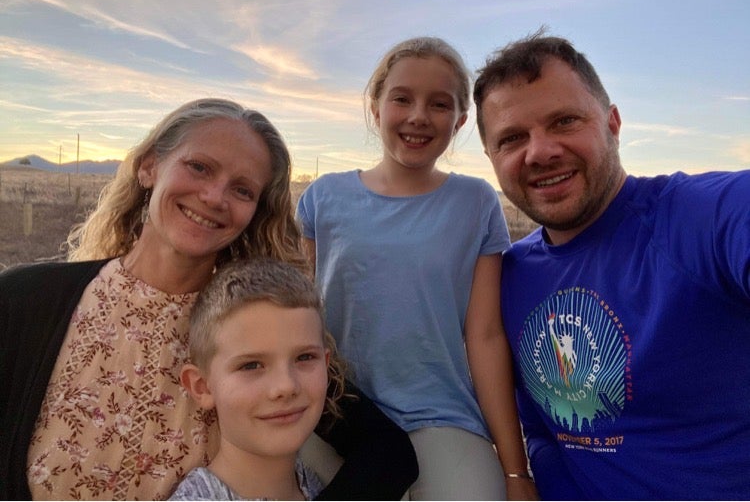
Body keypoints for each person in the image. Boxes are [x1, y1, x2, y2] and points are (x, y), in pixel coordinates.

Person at [0, 98, 417, 500]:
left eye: (242, 190)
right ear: (149, 167)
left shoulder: (251, 328)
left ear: (255, 211)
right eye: (199, 167)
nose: (215, 197)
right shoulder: (24, 301)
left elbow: (387, 453)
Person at [473, 30, 750, 500]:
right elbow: (540, 428)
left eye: (564, 121)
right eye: (512, 138)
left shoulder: (700, 217)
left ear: (613, 123)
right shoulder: (507, 276)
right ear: (491, 158)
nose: (539, 151)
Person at [297, 37, 536, 500]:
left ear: (461, 120)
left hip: (440, 416)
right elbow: (297, 317)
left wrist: (515, 471)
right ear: (375, 107)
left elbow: (484, 336)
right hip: (334, 413)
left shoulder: (476, 202)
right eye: (402, 98)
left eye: (439, 104)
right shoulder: (324, 198)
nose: (418, 116)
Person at [170, 257, 344, 500]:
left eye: (304, 357)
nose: (286, 386)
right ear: (202, 387)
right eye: (251, 365)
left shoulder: (314, 484)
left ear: (326, 366)